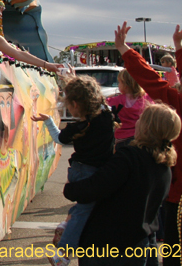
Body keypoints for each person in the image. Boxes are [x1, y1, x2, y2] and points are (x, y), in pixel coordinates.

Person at [114, 19, 182, 266]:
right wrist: (179, 46)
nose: (177, 79)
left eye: (181, 75)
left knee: (177, 258)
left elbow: (153, 82)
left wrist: (125, 50)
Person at [62, 103, 181, 266]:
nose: (137, 123)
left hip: (107, 246)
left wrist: (70, 188)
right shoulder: (165, 167)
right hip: (138, 245)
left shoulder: (130, 158)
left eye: (141, 119)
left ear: (147, 127)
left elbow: (96, 186)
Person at [32, 76, 116, 266]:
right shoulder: (106, 116)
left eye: (67, 104)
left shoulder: (78, 127)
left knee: (83, 209)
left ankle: (65, 236)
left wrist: (48, 122)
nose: (68, 109)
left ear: (76, 104)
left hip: (81, 172)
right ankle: (64, 251)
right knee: (86, 209)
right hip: (95, 172)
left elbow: (60, 139)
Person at [107, 69, 153, 149]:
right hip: (142, 136)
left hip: (121, 138)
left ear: (126, 85)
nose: (118, 85)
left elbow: (104, 105)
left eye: (119, 82)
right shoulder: (147, 99)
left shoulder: (117, 100)